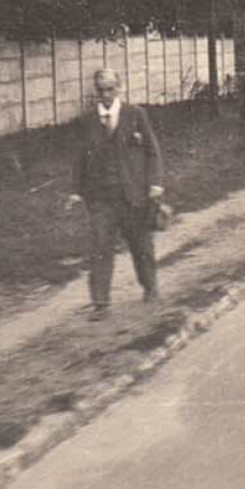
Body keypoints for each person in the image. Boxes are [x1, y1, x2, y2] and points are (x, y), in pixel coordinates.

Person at [66, 68, 165, 320]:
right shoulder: (87, 121)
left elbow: (152, 151)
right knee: (100, 247)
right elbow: (79, 158)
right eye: (101, 90)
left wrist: (155, 183)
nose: (106, 94)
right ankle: (100, 303)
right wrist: (76, 191)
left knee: (141, 244)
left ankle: (150, 287)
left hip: (133, 194)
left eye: (111, 88)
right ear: (96, 92)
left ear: (119, 88)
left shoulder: (135, 115)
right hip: (100, 198)